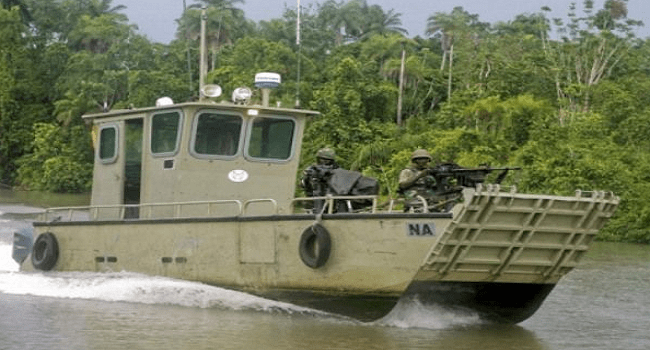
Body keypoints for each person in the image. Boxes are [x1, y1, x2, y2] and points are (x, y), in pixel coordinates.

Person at [398, 149, 463, 212]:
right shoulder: (407, 172)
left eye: (426, 159)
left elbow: (439, 187)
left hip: (430, 196)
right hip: (414, 196)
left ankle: (448, 215)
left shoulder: (430, 171)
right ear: (415, 161)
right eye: (421, 159)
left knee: (452, 196)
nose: (424, 162)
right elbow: (402, 185)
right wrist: (419, 176)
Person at [300, 148, 340, 213]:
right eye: (321, 159)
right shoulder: (312, 169)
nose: (323, 162)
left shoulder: (337, 170)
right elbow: (303, 184)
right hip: (314, 199)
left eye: (326, 160)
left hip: (332, 200)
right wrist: (308, 178)